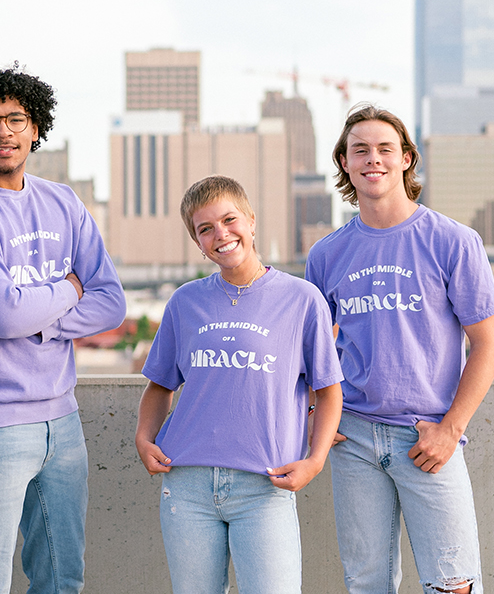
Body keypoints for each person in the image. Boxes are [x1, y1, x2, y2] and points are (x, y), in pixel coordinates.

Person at [0, 64, 126, 594]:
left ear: (36, 127)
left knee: (63, 579)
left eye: (16, 119)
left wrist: (41, 327)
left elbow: (112, 302)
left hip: (63, 419)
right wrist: (69, 290)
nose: (3, 132)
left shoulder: (63, 202)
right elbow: (3, 314)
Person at [305, 105, 494, 594]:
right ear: (345, 164)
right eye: (360, 150)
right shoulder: (327, 254)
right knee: (367, 582)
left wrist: (450, 429)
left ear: (406, 159)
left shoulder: (453, 241)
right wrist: (316, 412)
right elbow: (314, 348)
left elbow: (488, 343)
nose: (374, 159)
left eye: (385, 149)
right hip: (352, 440)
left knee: (454, 584)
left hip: (426, 440)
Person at [135, 175, 344, 594]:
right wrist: (143, 438)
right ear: (197, 242)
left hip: (264, 485)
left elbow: (328, 389)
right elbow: (160, 385)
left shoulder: (301, 299)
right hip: (187, 483)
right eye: (205, 229)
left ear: (250, 221)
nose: (221, 235)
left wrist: (315, 460)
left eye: (230, 220)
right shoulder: (185, 302)